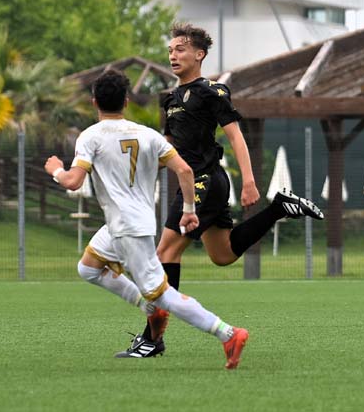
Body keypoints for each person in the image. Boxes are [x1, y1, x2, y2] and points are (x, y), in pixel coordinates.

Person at [120, 22, 324, 358]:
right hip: (193, 183)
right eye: (170, 50)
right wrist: (134, 173)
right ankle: (279, 208)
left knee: (165, 253)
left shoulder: (212, 91)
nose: (173, 55)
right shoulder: (169, 99)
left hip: (206, 181)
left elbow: (235, 137)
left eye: (180, 49)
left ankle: (152, 338)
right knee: (223, 254)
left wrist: (249, 181)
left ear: (199, 55)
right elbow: (167, 151)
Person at [44, 69, 249, 369]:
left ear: (94, 102)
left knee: (163, 293)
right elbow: (185, 170)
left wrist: (56, 171)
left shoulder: (90, 136)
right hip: (124, 224)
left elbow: (73, 182)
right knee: (88, 268)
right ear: (126, 101)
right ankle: (149, 308)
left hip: (128, 229)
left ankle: (228, 333)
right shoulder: (149, 135)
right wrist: (189, 210)